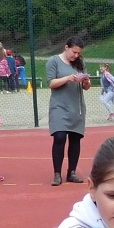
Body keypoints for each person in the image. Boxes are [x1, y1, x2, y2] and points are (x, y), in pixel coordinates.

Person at [47, 36, 92, 186]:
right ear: (66, 48)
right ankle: (57, 173)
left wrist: (86, 81)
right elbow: (51, 83)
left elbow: (86, 87)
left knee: (75, 139)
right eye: (74, 52)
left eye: (78, 53)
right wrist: (67, 78)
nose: (76, 55)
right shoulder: (53, 61)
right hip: (59, 106)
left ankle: (72, 172)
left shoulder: (80, 63)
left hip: (76, 107)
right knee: (59, 137)